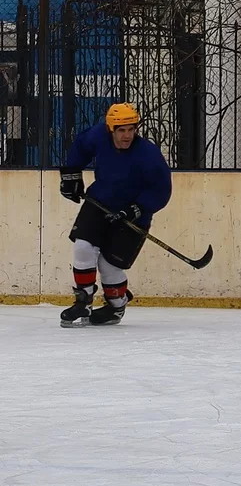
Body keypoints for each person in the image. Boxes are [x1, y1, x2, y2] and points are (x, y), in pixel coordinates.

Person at [58, 103, 173, 327]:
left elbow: (161, 190)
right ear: (111, 129)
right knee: (83, 247)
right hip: (99, 203)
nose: (127, 135)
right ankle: (83, 301)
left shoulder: (149, 154)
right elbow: (80, 147)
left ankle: (116, 307)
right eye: (121, 130)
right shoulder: (98, 136)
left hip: (133, 215)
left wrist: (136, 209)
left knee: (109, 265)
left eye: (131, 129)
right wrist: (71, 175)